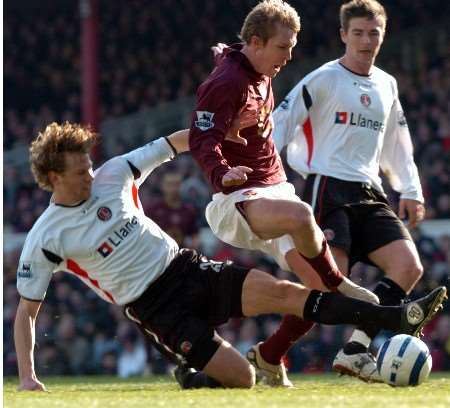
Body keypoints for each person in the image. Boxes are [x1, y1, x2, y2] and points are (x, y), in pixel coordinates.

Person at [14, 121, 447, 391]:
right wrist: (29, 376)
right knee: (244, 380)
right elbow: (27, 313)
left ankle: (391, 317)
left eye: (89, 166)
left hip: (185, 268)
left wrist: (219, 141)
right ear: (54, 178)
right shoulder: (46, 236)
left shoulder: (114, 172)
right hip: (155, 309)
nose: (90, 174)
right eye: (79, 171)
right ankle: (195, 377)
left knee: (285, 292)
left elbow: (175, 142)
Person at [189, 0, 379, 386]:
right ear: (256, 43)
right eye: (283, 47)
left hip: (274, 188)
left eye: (293, 47)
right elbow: (200, 137)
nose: (289, 56)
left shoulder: (258, 67)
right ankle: (341, 284)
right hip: (237, 199)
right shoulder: (225, 82)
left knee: (317, 289)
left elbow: (229, 63)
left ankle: (271, 360)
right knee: (302, 219)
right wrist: (222, 172)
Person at [272, 0, 428, 382]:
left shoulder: (387, 84)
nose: (365, 40)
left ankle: (357, 348)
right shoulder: (323, 79)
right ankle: (270, 353)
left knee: (409, 267)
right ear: (343, 35)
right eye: (357, 32)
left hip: (371, 192)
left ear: (383, 35)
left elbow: (397, 141)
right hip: (327, 186)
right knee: (329, 285)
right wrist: (264, 178)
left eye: (373, 33)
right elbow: (281, 121)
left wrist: (411, 189)